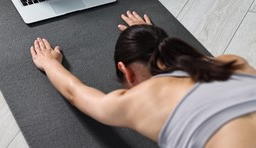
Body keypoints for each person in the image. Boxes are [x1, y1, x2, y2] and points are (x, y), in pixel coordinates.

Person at [30, 11, 256, 148]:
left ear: (126, 72)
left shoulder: (141, 100)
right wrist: (148, 35)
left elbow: (75, 93)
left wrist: (49, 63)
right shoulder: (231, 62)